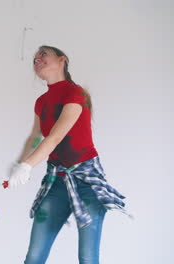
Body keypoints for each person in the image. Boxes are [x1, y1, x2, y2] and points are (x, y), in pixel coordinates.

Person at [8, 45, 128, 264]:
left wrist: (27, 166)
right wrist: (18, 163)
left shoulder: (75, 93)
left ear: (62, 60)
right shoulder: (41, 102)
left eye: (43, 54)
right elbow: (35, 137)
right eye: (34, 58)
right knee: (33, 258)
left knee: (87, 258)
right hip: (56, 183)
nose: (37, 59)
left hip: (87, 182)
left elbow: (54, 137)